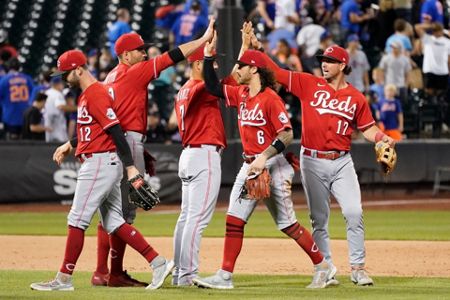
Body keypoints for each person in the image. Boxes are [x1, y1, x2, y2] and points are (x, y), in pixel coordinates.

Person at [193, 25, 333, 290]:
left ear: (254, 70)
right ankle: (224, 276)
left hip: (274, 166)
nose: (237, 71)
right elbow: (212, 87)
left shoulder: (270, 99)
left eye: (242, 66)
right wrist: (209, 57)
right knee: (234, 219)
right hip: (251, 165)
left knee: (287, 224)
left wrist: (264, 157)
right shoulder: (241, 94)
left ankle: (323, 266)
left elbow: (287, 134)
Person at [30, 49, 173, 291]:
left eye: (65, 73)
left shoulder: (95, 92)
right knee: (114, 222)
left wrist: (130, 168)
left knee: (77, 219)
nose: (62, 78)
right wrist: (70, 144)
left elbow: (116, 131)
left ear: (78, 69)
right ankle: (158, 263)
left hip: (99, 163)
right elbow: (94, 130)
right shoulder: (90, 94)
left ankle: (63, 279)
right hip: (102, 161)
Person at [91, 19, 216, 287]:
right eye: (139, 50)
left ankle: (105, 271)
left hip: (115, 142)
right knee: (125, 214)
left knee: (111, 210)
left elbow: (100, 113)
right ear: (125, 55)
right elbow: (174, 56)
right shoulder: (134, 72)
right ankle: (113, 273)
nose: (144, 53)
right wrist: (204, 38)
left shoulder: (110, 77)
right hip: (127, 141)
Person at [260, 40, 395, 286]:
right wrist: (258, 50)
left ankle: (358, 268)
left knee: (354, 212)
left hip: (342, 161)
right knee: (318, 219)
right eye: (323, 60)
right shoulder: (308, 83)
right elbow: (276, 72)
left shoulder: (356, 97)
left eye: (330, 61)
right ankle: (325, 269)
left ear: (343, 65)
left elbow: (367, 129)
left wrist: (383, 138)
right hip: (312, 160)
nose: (324, 64)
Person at [171, 45, 227, 287]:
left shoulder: (183, 91)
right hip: (203, 155)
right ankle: (187, 274)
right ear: (196, 65)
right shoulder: (199, 87)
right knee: (196, 219)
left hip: (189, 155)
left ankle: (178, 273)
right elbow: (225, 83)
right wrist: (245, 50)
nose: (213, 68)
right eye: (209, 64)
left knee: (186, 217)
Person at [0, 58, 34, 140]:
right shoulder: (27, 79)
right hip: (25, 115)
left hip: (10, 116)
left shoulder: (4, 80)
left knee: (11, 146)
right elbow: (33, 96)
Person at [44, 77, 76, 142]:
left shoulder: (46, 92)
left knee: (48, 145)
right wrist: (77, 108)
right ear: (57, 84)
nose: (62, 86)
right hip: (57, 123)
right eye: (61, 84)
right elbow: (60, 106)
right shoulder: (57, 94)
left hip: (47, 121)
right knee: (61, 143)